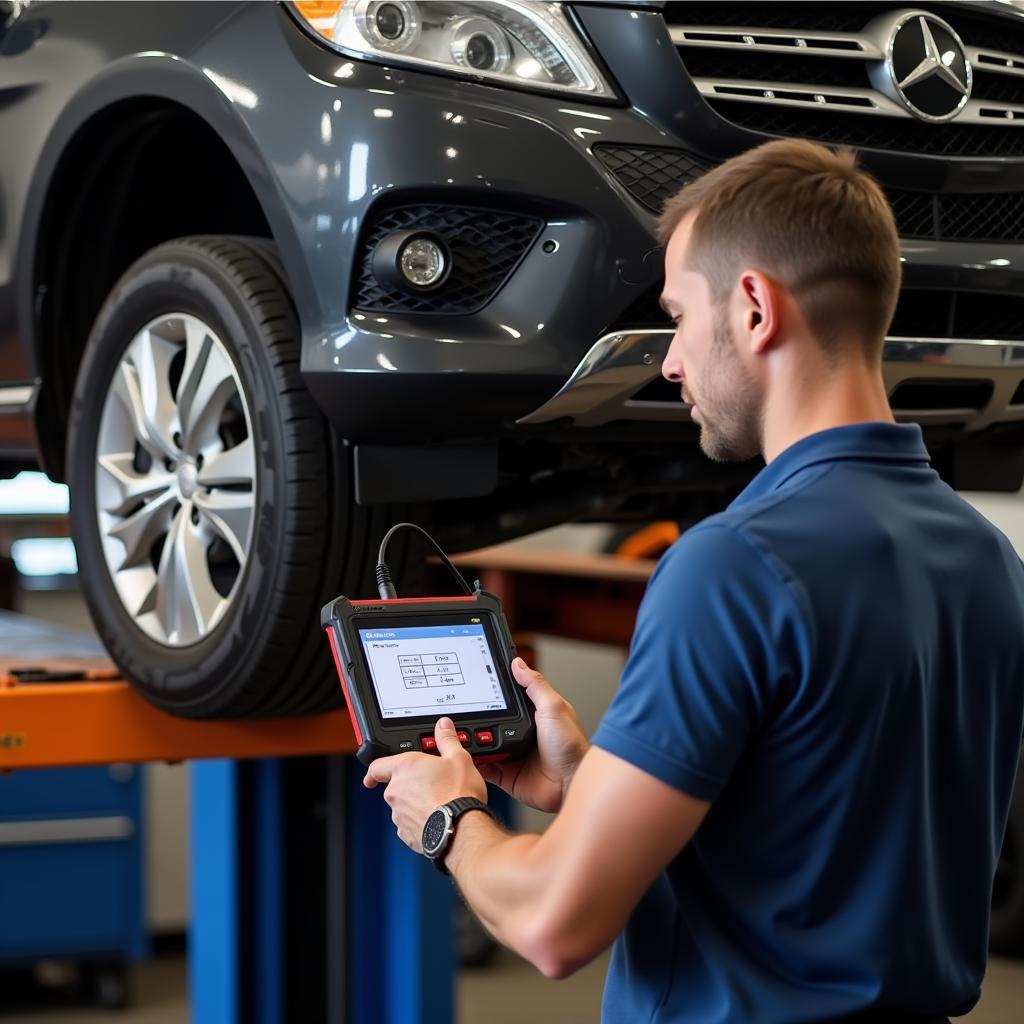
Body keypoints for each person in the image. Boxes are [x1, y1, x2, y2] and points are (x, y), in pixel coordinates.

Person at [364, 139, 1024, 1023]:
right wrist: (591, 786)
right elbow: (822, 832)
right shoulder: (988, 560)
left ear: (754, 308)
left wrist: (451, 821)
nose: (670, 362)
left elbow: (554, 922)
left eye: (678, 316)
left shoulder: (733, 566)